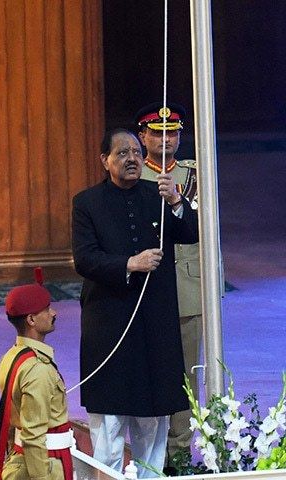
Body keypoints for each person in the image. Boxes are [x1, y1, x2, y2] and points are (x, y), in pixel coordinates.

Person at [71, 128, 199, 477]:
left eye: (135, 152)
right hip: (108, 324)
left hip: (154, 322)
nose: (131, 159)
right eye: (122, 153)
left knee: (152, 422)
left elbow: (191, 233)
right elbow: (85, 259)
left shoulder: (157, 194)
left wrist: (175, 200)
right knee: (109, 425)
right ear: (105, 161)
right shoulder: (86, 203)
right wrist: (130, 263)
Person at [135, 102, 203, 468]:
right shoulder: (132, 175)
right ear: (143, 136)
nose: (167, 140)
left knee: (188, 374)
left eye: (173, 133)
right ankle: (149, 451)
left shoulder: (195, 173)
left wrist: (178, 199)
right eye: (159, 134)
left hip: (189, 288)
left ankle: (179, 452)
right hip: (147, 289)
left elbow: (204, 223)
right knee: (149, 370)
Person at [0, 278, 73, 480]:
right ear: (31, 320)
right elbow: (34, 434)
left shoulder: (13, 355)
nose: (53, 313)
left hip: (24, 459)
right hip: (43, 465)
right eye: (47, 310)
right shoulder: (38, 368)